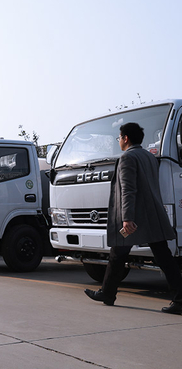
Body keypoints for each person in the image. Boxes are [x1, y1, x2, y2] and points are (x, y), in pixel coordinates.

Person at [84, 122, 182, 314]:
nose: (119, 141)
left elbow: (128, 190)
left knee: (119, 253)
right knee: (159, 256)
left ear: (125, 138)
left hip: (135, 217)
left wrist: (127, 218)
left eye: (119, 137)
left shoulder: (127, 157)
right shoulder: (149, 156)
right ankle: (108, 292)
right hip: (152, 214)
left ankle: (108, 293)